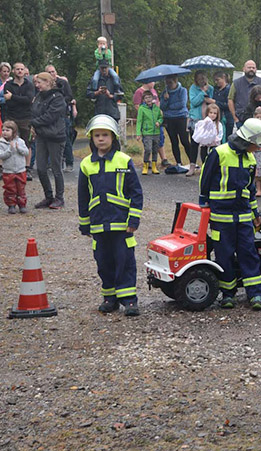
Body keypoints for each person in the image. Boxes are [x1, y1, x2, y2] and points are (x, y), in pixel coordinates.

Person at [199, 118, 261, 310]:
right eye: (257, 145)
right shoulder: (219, 153)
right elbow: (205, 179)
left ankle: (255, 294)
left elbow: (250, 189)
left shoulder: (250, 159)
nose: (258, 148)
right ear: (248, 141)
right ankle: (227, 294)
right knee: (224, 255)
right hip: (220, 216)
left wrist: (255, 211)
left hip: (243, 216)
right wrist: (203, 202)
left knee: (249, 253)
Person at [77, 114, 143, 317]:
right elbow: (83, 196)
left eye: (105, 135)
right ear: (92, 138)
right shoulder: (86, 164)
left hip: (121, 224)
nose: (101, 139)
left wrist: (133, 219)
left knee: (125, 261)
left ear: (113, 137)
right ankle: (110, 298)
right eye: (97, 135)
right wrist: (84, 224)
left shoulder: (124, 161)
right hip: (98, 225)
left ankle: (130, 300)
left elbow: (136, 193)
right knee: (103, 262)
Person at [31, 72, 68, 209]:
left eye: (39, 82)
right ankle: (48, 196)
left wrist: (33, 122)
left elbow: (50, 116)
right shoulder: (39, 97)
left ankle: (59, 198)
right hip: (42, 136)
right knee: (41, 168)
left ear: (47, 82)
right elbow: (34, 111)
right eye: (36, 83)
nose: (37, 85)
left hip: (55, 136)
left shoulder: (58, 98)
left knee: (56, 168)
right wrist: (34, 123)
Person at [160, 75, 195, 175]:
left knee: (184, 141)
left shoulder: (182, 90)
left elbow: (182, 104)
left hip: (181, 117)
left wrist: (170, 105)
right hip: (169, 119)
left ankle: (192, 162)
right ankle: (178, 162)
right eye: (167, 83)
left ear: (175, 81)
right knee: (174, 141)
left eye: (170, 82)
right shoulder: (164, 92)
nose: (169, 85)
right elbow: (162, 106)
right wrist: (166, 99)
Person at [3, 63, 35, 170]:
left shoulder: (29, 85)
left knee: (27, 143)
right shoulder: (8, 85)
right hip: (11, 116)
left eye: (22, 69)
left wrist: (13, 97)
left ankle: (27, 167)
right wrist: (20, 99)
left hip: (26, 117)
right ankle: (6, 167)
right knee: (7, 141)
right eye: (17, 69)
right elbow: (9, 102)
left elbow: (29, 100)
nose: (20, 71)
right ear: (13, 71)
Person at [45, 65, 77, 172]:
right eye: (49, 72)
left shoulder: (63, 83)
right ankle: (51, 163)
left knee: (66, 139)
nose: (51, 74)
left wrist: (58, 101)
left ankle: (69, 163)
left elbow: (69, 96)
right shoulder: (44, 85)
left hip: (63, 114)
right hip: (50, 115)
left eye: (53, 71)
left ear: (56, 72)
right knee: (49, 138)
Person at [188, 71, 215, 174]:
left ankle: (205, 166)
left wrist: (208, 98)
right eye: (199, 79)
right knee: (194, 143)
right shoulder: (193, 88)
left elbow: (212, 102)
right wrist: (202, 93)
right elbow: (194, 102)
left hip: (207, 119)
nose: (201, 81)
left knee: (205, 144)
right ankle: (192, 167)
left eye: (203, 78)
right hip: (196, 119)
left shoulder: (211, 88)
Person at [0, 121, 29, 213]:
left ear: (14, 131)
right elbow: (2, 155)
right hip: (8, 170)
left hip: (20, 170)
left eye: (7, 130)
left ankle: (22, 204)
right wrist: (10, 150)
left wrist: (19, 149)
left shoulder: (20, 141)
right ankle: (11, 205)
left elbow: (26, 152)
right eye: (3, 130)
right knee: (10, 188)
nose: (4, 132)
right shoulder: (1, 143)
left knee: (21, 188)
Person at [228, 60, 261, 127]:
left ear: (256, 69)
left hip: (260, 120)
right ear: (243, 69)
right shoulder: (236, 83)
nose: (251, 69)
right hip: (241, 119)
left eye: (253, 68)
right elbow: (230, 100)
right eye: (249, 67)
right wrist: (235, 118)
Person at [136, 90, 163, 174]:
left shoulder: (156, 108)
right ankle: (145, 166)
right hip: (147, 132)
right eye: (146, 98)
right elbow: (139, 121)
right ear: (143, 99)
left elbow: (161, 117)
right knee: (148, 149)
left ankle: (154, 166)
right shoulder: (142, 108)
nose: (148, 99)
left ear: (152, 98)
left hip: (156, 132)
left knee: (155, 149)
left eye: (149, 97)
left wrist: (159, 121)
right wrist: (138, 133)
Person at [212, 72, 233, 138]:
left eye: (217, 80)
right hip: (217, 118)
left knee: (227, 138)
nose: (216, 82)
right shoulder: (215, 89)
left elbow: (229, 105)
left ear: (223, 78)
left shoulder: (229, 89)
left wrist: (215, 102)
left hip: (227, 118)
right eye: (215, 80)